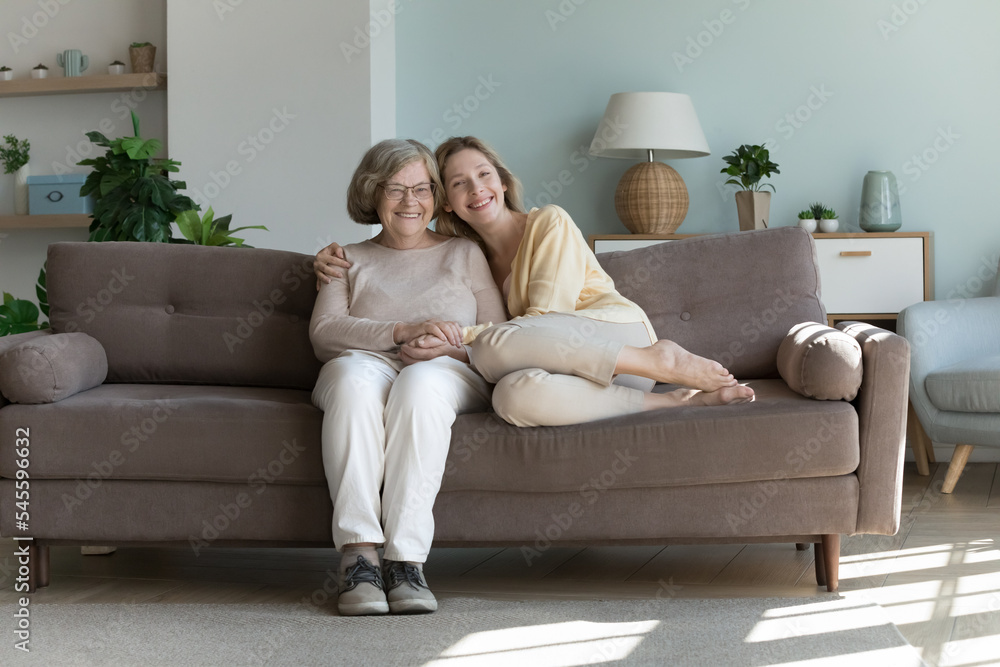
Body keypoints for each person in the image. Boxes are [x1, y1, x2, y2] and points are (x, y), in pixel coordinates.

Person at [315, 136, 753, 428]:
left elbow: (546, 322)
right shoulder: (468, 257)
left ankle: (662, 361)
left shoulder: (549, 223)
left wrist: (458, 342)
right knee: (510, 398)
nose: (476, 188)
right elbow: (519, 347)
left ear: (502, 182)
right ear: (446, 203)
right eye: (459, 183)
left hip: (616, 343)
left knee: (500, 344)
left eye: (484, 174)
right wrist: (333, 258)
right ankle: (676, 402)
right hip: (564, 373)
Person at [309, 138, 506, 616]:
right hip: (366, 362)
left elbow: (498, 334)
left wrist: (448, 345)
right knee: (354, 385)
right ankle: (359, 556)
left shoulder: (464, 252)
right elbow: (325, 334)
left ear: (436, 196)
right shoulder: (345, 258)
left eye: (421, 189)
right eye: (395, 190)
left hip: (448, 369)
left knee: (418, 385)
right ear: (372, 194)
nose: (410, 202)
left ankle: (405, 561)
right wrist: (401, 330)